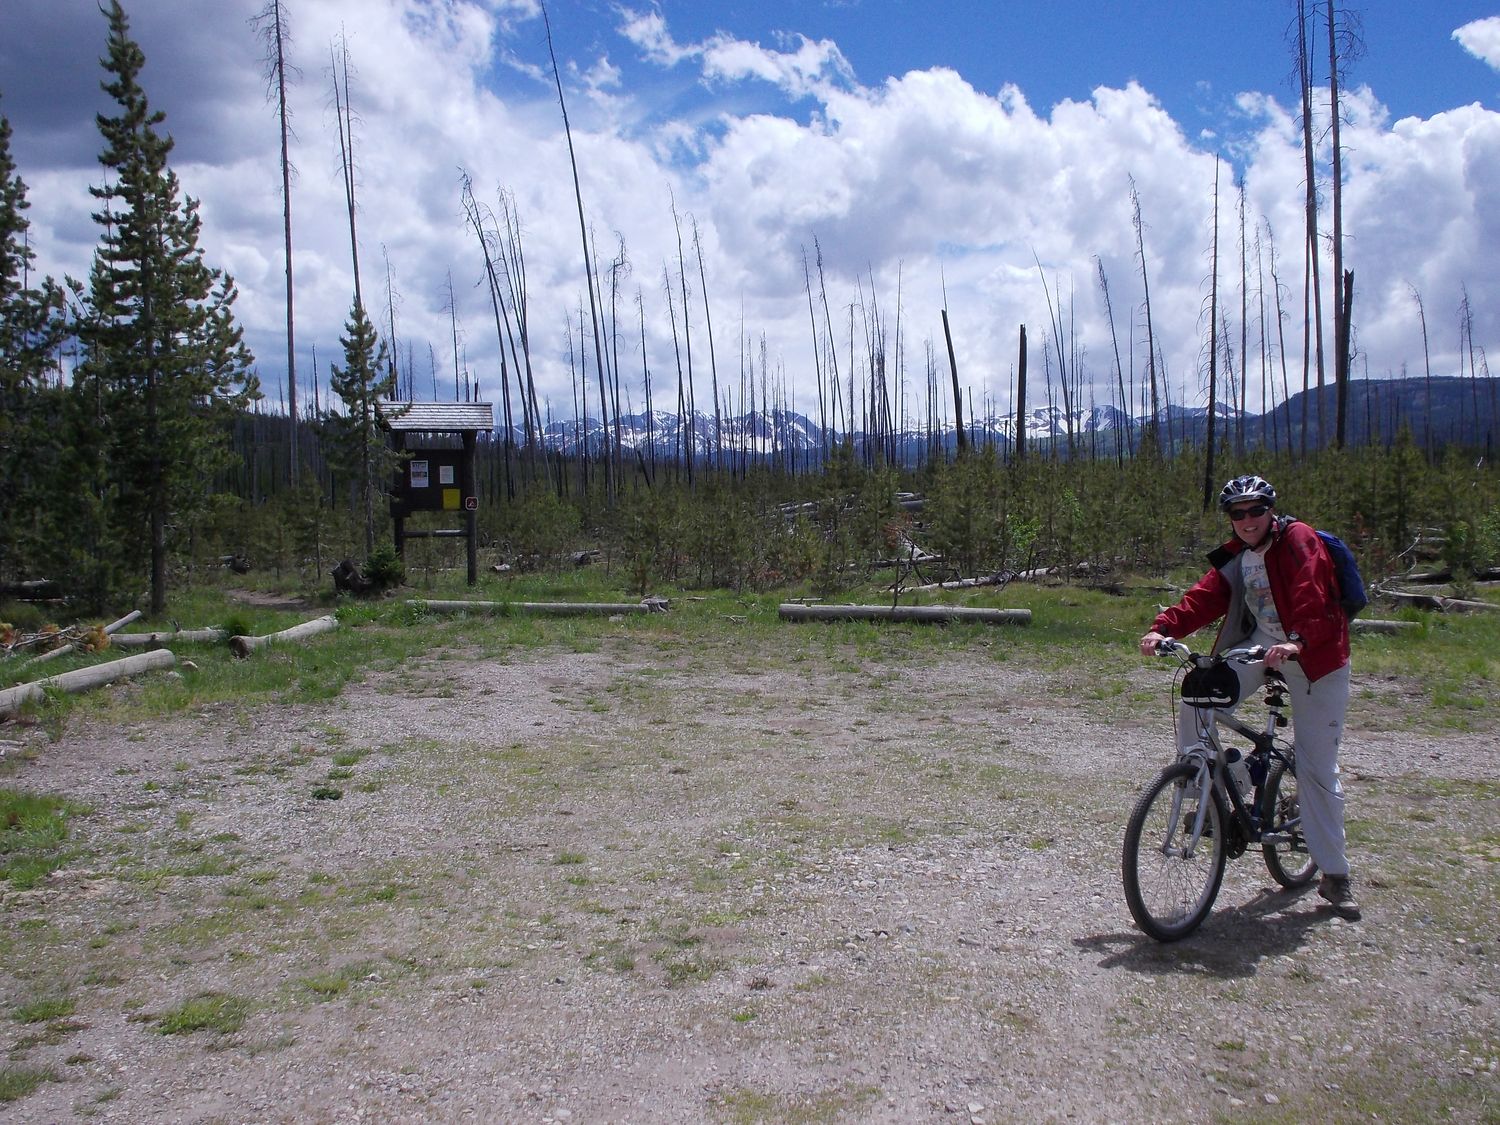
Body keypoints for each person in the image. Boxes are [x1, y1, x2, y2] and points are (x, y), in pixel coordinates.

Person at [1138, 474, 1360, 921]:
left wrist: (1299, 641)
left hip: (1316, 656)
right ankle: (1220, 789)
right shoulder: (1239, 556)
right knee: (1199, 692)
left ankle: (1335, 874)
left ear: (1270, 510)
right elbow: (1205, 597)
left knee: (1317, 768)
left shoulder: (1298, 540)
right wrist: (1164, 629)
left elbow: (1312, 594)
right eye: (1237, 513)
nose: (1247, 519)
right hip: (1262, 647)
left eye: (1255, 509)